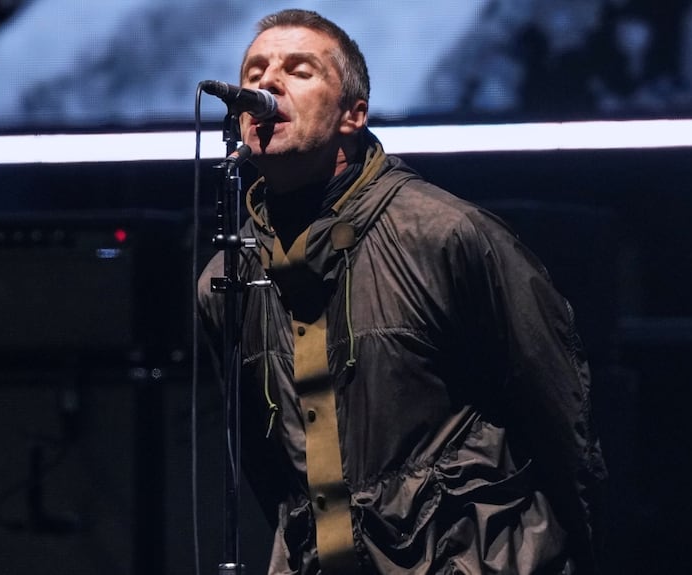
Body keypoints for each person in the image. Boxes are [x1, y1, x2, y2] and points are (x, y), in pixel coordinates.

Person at [197, 9, 607, 575]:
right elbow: (268, 472)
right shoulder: (226, 280)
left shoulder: (448, 236)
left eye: (299, 70)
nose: (267, 83)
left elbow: (560, 415)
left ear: (353, 114)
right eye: (255, 72)